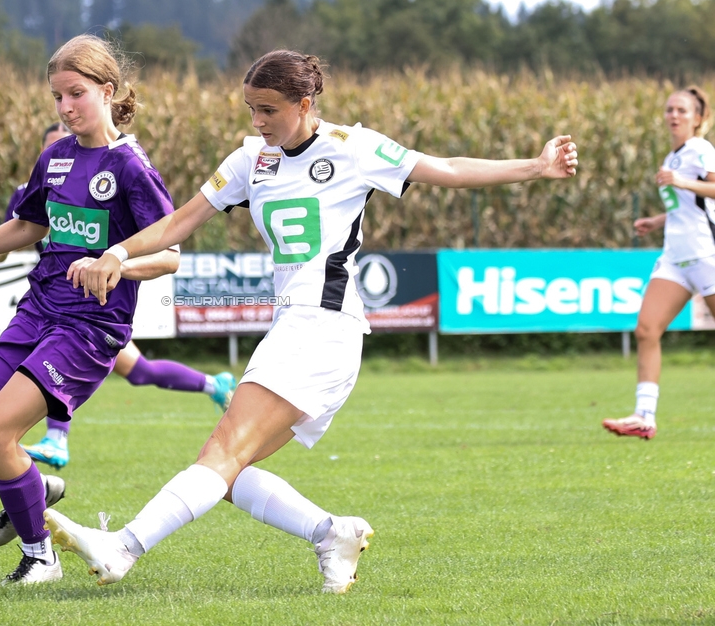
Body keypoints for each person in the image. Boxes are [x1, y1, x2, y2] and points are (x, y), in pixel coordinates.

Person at [44, 49, 579, 594]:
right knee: (226, 474)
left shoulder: (354, 149)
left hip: (323, 326)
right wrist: (116, 254)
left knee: (221, 455)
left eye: (269, 110)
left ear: (304, 104)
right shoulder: (249, 160)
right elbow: (177, 225)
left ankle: (123, 548)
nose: (257, 121)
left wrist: (534, 167)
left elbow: (446, 169)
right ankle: (333, 533)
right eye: (251, 109)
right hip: (300, 329)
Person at [0, 34, 178, 585]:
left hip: (90, 326)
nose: (66, 107)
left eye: (77, 94)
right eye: (57, 97)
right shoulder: (56, 156)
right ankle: (34, 483)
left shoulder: (130, 166)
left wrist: (116, 263)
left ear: (108, 90)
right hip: (37, 310)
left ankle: (40, 555)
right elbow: (28, 225)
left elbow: (168, 254)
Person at [0, 123, 236, 471]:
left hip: (94, 307)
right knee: (137, 371)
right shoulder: (31, 190)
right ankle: (213, 384)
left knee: (136, 371)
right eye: (54, 145)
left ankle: (56, 440)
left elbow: (168, 252)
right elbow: (14, 237)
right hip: (52, 298)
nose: (67, 152)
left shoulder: (119, 170)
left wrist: (114, 263)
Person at [603, 87, 715, 440]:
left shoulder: (700, 149)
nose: (673, 115)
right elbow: (686, 207)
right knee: (647, 330)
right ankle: (643, 416)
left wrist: (682, 181)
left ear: (698, 118)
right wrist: (656, 220)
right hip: (675, 257)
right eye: (669, 109)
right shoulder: (672, 157)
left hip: (706, 253)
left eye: (682, 110)